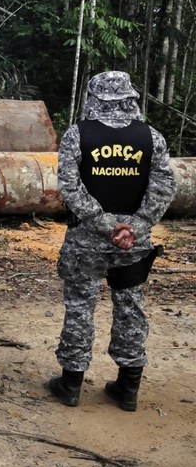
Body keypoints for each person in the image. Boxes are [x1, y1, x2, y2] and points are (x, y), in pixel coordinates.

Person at [48, 71, 177, 411]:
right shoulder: (151, 137)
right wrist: (135, 226)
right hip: (132, 242)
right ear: (129, 97)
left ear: (94, 97)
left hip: (86, 240)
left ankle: (71, 383)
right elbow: (164, 187)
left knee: (80, 305)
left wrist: (104, 224)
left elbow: (70, 188)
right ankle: (128, 387)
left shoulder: (78, 135)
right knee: (130, 305)